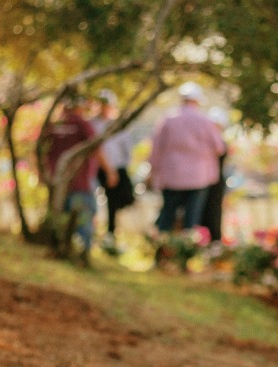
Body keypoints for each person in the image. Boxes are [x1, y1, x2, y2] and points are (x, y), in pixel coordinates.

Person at [42, 91, 115, 262]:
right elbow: (96, 148)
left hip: (56, 182)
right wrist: (110, 171)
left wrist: (43, 174)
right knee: (83, 218)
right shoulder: (82, 124)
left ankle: (61, 249)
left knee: (59, 217)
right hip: (79, 182)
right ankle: (83, 254)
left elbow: (43, 151)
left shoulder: (55, 123)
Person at [148, 82, 225, 234]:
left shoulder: (168, 119)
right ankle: (188, 244)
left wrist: (152, 171)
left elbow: (156, 149)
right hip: (198, 177)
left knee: (168, 214)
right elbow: (219, 148)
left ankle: (163, 244)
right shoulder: (205, 121)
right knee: (192, 218)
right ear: (197, 100)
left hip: (171, 176)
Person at [91, 91, 136, 256]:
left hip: (115, 169)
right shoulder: (91, 124)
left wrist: (116, 170)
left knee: (116, 203)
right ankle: (94, 234)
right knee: (92, 201)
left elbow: (126, 151)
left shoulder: (118, 126)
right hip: (96, 169)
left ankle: (110, 235)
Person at [199, 106, 231, 244]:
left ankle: (214, 240)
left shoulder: (218, 141)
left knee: (214, 211)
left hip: (215, 182)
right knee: (203, 211)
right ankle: (203, 239)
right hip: (204, 180)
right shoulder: (207, 141)